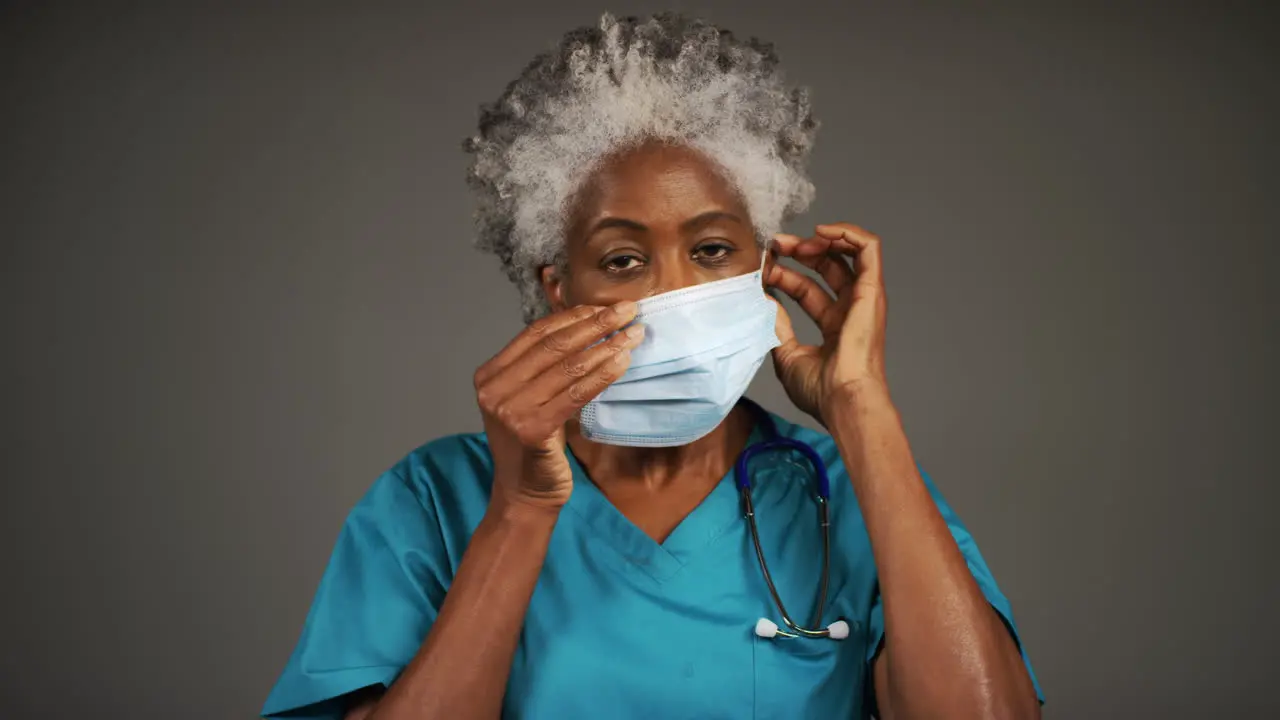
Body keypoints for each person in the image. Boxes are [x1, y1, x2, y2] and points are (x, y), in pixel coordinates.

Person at [262, 12, 1044, 720]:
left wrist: (863, 409)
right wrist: (521, 510)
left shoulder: (851, 493)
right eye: (624, 259)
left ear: (762, 267)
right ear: (559, 287)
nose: (674, 290)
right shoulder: (434, 500)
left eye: (711, 251)